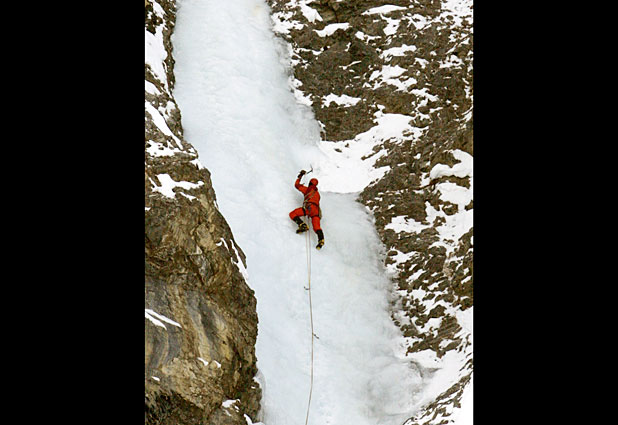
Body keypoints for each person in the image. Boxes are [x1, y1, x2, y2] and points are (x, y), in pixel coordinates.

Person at [289, 170, 325, 250]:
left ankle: (302, 225)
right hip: (316, 211)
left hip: (309, 208)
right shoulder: (318, 194)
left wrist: (300, 176)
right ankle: (321, 239)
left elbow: (296, 185)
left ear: (310, 183)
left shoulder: (308, 189)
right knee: (316, 227)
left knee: (292, 214)